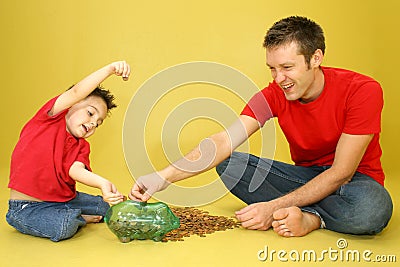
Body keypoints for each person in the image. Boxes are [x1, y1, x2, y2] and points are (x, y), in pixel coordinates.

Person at [129, 16, 393, 237]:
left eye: (287, 67)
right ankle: (307, 211)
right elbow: (222, 142)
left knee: (373, 209)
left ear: (315, 58)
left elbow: (341, 173)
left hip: (355, 182)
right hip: (304, 178)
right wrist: (162, 177)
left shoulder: (362, 91)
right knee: (229, 165)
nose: (279, 79)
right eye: (272, 69)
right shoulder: (273, 95)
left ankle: (311, 218)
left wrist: (271, 207)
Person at [6, 61, 131, 241]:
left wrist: (103, 184)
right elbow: (76, 92)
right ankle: (75, 217)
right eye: (90, 113)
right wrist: (109, 69)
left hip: (64, 199)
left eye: (98, 123)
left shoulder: (82, 146)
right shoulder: (49, 118)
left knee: (106, 207)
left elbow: (75, 170)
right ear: (71, 105)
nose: (92, 123)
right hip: (28, 207)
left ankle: (70, 212)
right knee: (65, 226)